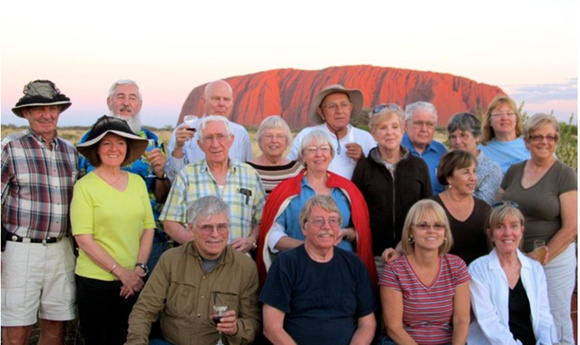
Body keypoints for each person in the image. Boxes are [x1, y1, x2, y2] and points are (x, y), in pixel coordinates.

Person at [126, 196, 261, 345]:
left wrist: (236, 328)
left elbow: (253, 323)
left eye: (221, 226)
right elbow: (144, 310)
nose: (215, 234)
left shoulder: (245, 267)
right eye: (207, 227)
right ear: (191, 229)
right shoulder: (170, 260)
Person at [1, 80, 77, 345]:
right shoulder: (10, 147)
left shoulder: (70, 151)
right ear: (26, 113)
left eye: (52, 108)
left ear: (59, 111)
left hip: (61, 249)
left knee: (56, 325)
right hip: (20, 251)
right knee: (16, 329)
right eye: (38, 109)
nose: (47, 114)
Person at [71, 115, 155, 345]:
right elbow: (84, 239)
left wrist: (138, 269)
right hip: (96, 281)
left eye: (120, 142)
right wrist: (121, 273)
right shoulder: (85, 186)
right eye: (106, 143)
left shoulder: (137, 183)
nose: (113, 148)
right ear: (97, 149)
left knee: (128, 338)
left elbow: (148, 228)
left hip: (134, 280)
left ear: (127, 148)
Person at [256, 130, 377, 286]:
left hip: (342, 270)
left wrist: (346, 233)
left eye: (324, 149)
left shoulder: (347, 190)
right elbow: (271, 235)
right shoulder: (286, 190)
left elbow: (361, 232)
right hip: (298, 271)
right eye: (312, 150)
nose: (319, 154)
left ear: (331, 154)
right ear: (303, 157)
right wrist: (309, 247)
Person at [498, 113, 577, 344]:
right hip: (515, 257)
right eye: (538, 136)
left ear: (556, 141)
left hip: (553, 260)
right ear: (526, 141)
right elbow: (498, 209)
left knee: (555, 317)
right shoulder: (514, 170)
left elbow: (572, 227)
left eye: (551, 137)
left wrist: (539, 256)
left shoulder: (565, 174)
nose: (545, 142)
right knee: (521, 316)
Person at [78, 79, 170, 272]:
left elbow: (162, 197)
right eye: (120, 97)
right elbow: (79, 187)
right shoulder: (90, 140)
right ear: (109, 102)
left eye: (132, 98)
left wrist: (161, 175)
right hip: (101, 240)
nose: (126, 103)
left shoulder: (152, 141)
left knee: (147, 299)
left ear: (140, 105)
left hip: (149, 239)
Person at [260, 195, 377, 345]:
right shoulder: (285, 264)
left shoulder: (354, 265)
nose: (327, 226)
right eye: (318, 220)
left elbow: (367, 324)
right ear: (304, 228)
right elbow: (272, 328)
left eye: (333, 220)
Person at [160, 115, 266, 253]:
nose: (215, 144)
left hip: (239, 264)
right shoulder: (187, 175)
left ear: (231, 140)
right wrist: (196, 245)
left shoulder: (249, 175)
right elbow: (169, 221)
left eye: (220, 136)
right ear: (200, 144)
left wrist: (251, 240)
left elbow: (262, 218)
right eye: (209, 138)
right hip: (196, 263)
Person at [352, 104, 432, 275]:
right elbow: (357, 211)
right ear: (373, 132)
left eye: (395, 127)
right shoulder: (364, 168)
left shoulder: (418, 166)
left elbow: (427, 208)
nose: (390, 132)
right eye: (383, 127)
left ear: (402, 129)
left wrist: (408, 245)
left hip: (413, 252)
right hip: (376, 255)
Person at [380, 199, 470, 345]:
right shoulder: (394, 270)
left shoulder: (457, 266)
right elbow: (393, 327)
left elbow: (462, 320)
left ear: (445, 231)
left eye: (438, 226)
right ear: (410, 231)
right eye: (423, 225)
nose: (432, 231)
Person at [468, 202, 557, 345]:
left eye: (513, 226)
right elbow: (489, 322)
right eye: (500, 227)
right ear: (491, 234)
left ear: (521, 232)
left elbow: (543, 316)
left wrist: (546, 342)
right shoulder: (477, 269)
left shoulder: (535, 269)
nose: (508, 232)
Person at [166, 79, 252, 181]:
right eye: (216, 99)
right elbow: (173, 177)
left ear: (232, 102)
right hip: (195, 194)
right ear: (203, 101)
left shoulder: (241, 133)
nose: (221, 104)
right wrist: (178, 147)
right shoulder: (184, 131)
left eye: (226, 99)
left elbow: (247, 173)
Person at [286, 84, 376, 179]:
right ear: (321, 112)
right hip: (316, 193)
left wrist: (363, 159)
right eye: (332, 106)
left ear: (350, 108)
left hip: (354, 193)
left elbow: (377, 175)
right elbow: (290, 168)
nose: (339, 111)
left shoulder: (365, 137)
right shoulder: (306, 135)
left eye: (344, 105)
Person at [431, 150, 491, 265]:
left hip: (478, 276)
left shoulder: (485, 209)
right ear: (449, 178)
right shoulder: (431, 207)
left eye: (474, 171)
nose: (473, 178)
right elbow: (412, 237)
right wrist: (397, 252)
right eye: (466, 172)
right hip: (441, 276)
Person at [447, 112, 502, 205]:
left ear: (477, 137)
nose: (457, 141)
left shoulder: (491, 169)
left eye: (463, 135)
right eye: (453, 136)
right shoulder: (447, 164)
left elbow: (483, 205)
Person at [246, 115, 303, 194]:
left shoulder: (297, 171)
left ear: (287, 141)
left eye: (280, 136)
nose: (274, 140)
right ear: (260, 140)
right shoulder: (246, 170)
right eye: (269, 136)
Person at [401, 101, 448, 194]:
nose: (424, 129)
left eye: (430, 124)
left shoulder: (441, 151)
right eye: (418, 123)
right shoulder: (395, 148)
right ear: (405, 125)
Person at [479, 94, 531, 174]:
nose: (504, 118)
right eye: (498, 114)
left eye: (509, 113)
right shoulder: (482, 151)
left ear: (516, 119)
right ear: (489, 121)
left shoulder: (531, 143)